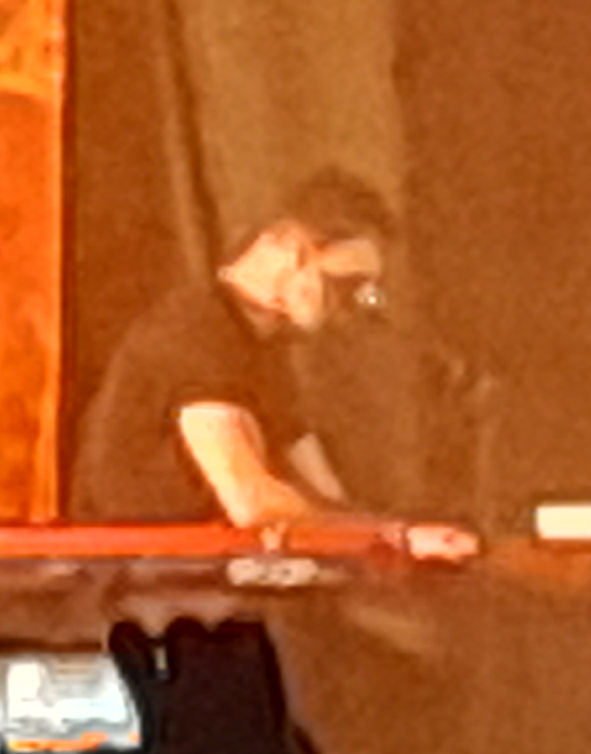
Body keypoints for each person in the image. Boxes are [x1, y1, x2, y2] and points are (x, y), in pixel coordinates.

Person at [70, 171, 471, 558]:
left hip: (194, 572)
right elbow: (251, 502)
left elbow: (327, 496)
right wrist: (393, 536)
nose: (355, 308)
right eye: (346, 286)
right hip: (135, 578)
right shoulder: (196, 330)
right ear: (293, 251)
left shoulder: (268, 349)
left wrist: (394, 533)